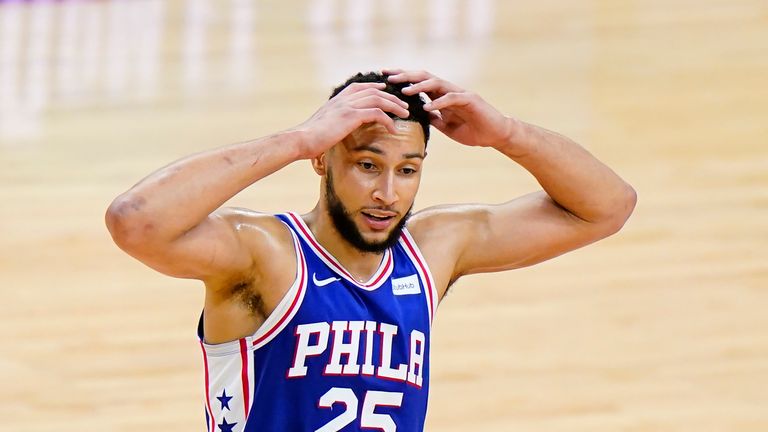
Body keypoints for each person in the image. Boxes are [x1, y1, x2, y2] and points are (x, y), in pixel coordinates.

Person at [105, 69, 636, 432]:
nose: (388, 193)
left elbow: (607, 207)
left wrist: (507, 133)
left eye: (408, 170)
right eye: (367, 165)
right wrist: (297, 138)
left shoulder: (433, 250)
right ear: (323, 160)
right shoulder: (264, 254)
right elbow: (137, 221)